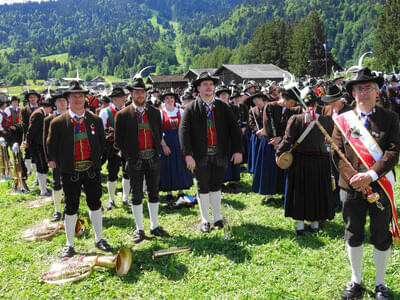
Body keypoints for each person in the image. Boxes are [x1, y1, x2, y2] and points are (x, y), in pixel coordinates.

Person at [331, 68, 400, 300]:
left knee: (381, 233)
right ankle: (356, 281)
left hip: (379, 185)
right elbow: (336, 152)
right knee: (353, 232)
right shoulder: (342, 120)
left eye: (368, 87)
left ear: (377, 90)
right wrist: (353, 178)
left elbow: (393, 152)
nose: (363, 92)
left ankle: (381, 284)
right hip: (350, 187)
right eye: (359, 89)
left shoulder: (390, 118)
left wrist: (370, 176)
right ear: (352, 93)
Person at [47, 81, 112, 258]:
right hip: (70, 172)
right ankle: (69, 244)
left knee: (95, 203)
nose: (78, 99)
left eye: (81, 96)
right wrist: (55, 162)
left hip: (91, 170)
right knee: (71, 207)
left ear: (85, 98)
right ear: (68, 99)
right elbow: (51, 146)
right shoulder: (58, 123)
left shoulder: (95, 120)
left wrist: (98, 163)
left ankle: (99, 238)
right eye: (74, 96)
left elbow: (102, 143)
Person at [179, 72, 243, 233]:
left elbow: (235, 130)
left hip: (220, 154)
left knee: (216, 185)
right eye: (205, 84)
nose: (209, 87)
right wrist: (188, 155)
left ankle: (218, 217)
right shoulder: (191, 108)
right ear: (198, 88)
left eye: (210, 84)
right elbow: (183, 132)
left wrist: (237, 150)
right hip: (200, 156)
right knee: (203, 186)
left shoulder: (223, 106)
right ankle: (205, 220)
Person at [114, 76, 170, 244]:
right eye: (137, 92)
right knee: (136, 194)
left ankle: (154, 226)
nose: (140, 95)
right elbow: (118, 140)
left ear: (146, 94)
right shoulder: (122, 115)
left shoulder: (154, 112)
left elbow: (159, 134)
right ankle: (139, 229)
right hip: (134, 159)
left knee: (153, 192)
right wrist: (130, 155)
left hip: (152, 157)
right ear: (131, 94)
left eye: (142, 92)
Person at [276, 89, 335, 235]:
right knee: (316, 191)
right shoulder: (326, 120)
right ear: (316, 104)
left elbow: (287, 140)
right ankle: (315, 225)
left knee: (300, 192)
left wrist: (278, 153)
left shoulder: (295, 119)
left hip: (301, 161)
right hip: (320, 162)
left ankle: (300, 226)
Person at [99, 87, 131, 210]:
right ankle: (111, 199)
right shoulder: (105, 112)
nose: (124, 99)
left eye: (124, 97)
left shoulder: (128, 111)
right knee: (112, 172)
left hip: (127, 146)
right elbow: (101, 130)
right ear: (115, 99)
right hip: (112, 147)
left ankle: (125, 198)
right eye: (122, 97)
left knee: (127, 172)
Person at [159, 89, 193, 202]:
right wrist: (164, 145)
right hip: (167, 142)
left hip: (179, 142)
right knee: (168, 166)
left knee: (180, 165)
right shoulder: (161, 113)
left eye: (172, 98)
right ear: (164, 101)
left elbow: (185, 129)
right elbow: (158, 132)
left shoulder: (181, 112)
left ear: (174, 100)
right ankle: (169, 191)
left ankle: (180, 191)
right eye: (167, 98)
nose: (170, 100)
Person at [43, 92, 68, 221]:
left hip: (71, 156)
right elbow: (45, 141)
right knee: (57, 183)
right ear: (55, 104)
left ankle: (69, 209)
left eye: (64, 100)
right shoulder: (48, 119)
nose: (62, 103)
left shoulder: (74, 117)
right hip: (57, 157)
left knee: (70, 183)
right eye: (59, 101)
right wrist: (50, 159)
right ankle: (57, 210)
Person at [26, 95, 53, 197]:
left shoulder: (41, 113)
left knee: (42, 167)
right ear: (48, 107)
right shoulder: (38, 115)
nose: (50, 111)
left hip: (39, 144)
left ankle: (44, 188)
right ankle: (43, 191)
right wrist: (27, 142)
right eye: (50, 109)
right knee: (41, 167)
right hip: (36, 145)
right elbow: (31, 130)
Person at [21, 90, 40, 179]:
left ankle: (39, 173)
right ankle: (29, 169)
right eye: (31, 97)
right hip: (29, 134)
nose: (32, 99)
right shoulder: (25, 109)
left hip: (39, 135)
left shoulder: (41, 108)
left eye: (34, 97)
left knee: (38, 154)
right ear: (28, 99)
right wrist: (28, 131)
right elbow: (23, 122)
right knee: (28, 153)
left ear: (37, 98)